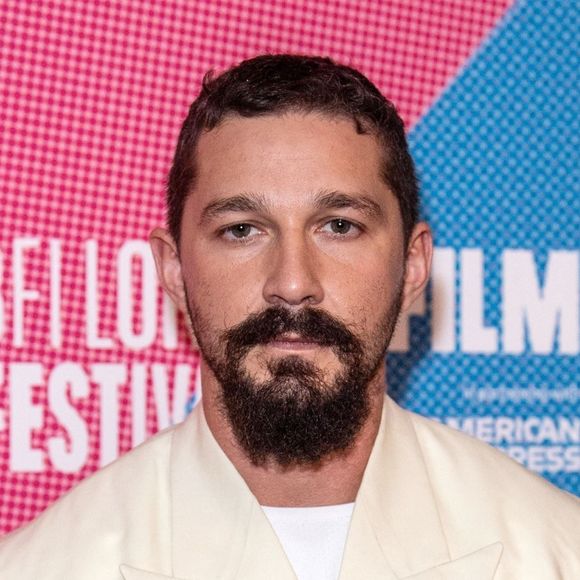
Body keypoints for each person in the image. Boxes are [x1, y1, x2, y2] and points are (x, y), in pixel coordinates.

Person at [0, 54, 578, 580]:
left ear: (411, 266)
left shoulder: (556, 551)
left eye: (340, 226)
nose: (294, 284)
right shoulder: (43, 566)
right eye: (242, 230)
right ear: (175, 271)